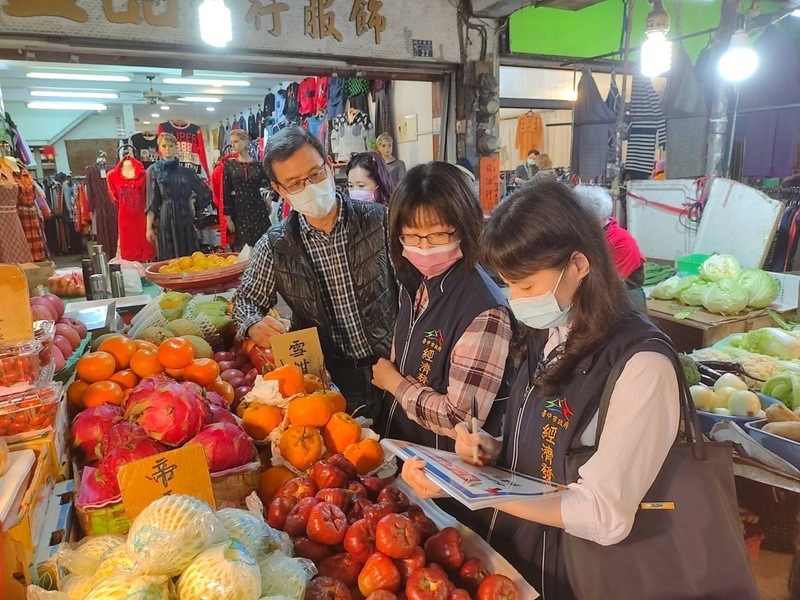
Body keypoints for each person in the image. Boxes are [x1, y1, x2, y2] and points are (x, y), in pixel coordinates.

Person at [402, 180, 684, 598]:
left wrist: (474, 492)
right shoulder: (549, 331)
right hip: (518, 555)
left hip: (576, 571)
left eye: (527, 287)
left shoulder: (642, 365)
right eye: (509, 284)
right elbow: (550, 445)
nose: (515, 300)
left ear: (579, 265)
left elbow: (605, 514)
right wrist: (494, 446)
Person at [233, 127, 398, 419]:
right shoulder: (275, 245)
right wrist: (253, 324)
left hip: (396, 367)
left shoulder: (381, 221)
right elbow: (246, 301)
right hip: (330, 379)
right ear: (280, 190)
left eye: (315, 174)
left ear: (330, 165)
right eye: (294, 183)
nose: (309, 187)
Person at [372, 162, 513, 451]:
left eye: (438, 235)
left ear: (464, 227)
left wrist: (395, 384)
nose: (424, 247)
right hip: (404, 448)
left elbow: (459, 418)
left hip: (443, 469)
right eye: (411, 236)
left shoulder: (484, 310)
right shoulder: (416, 280)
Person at [573, 185, 646, 311]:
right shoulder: (585, 236)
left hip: (624, 300)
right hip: (594, 297)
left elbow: (609, 282)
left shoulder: (622, 241)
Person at [146, 133, 212, 260]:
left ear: (176, 148)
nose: (167, 149)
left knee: (190, 258)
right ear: (159, 148)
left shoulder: (187, 172)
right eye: (164, 145)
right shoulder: (153, 170)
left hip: (185, 218)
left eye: (171, 145)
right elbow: (151, 201)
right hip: (166, 219)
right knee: (169, 260)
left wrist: (194, 203)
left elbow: (206, 193)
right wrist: (148, 227)